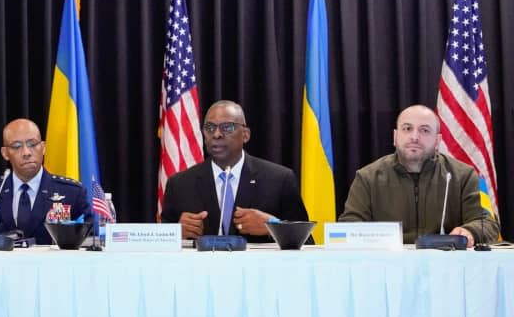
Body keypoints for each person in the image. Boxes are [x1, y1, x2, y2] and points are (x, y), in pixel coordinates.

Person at [339, 104, 499, 246]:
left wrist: (470, 232)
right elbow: (349, 225)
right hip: (387, 269)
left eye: (424, 130)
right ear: (395, 137)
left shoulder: (463, 175)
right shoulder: (368, 177)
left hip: (446, 268)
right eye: (407, 128)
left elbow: (487, 225)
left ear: (437, 141)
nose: (414, 137)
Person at [161, 100, 309, 242]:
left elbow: (307, 242)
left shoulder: (280, 179)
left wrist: (272, 226)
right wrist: (176, 233)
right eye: (210, 128)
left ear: (246, 135)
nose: (217, 134)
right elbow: (160, 244)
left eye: (227, 127)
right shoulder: (179, 184)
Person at [0, 118, 90, 245]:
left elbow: (87, 244)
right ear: (5, 153)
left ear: (43, 147)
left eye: (32, 144)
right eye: (16, 146)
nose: (26, 152)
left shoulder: (72, 193)